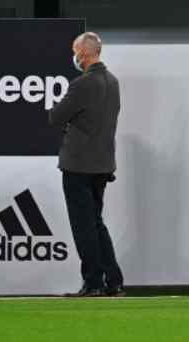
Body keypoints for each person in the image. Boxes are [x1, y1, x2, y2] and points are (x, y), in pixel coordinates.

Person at [49, 32, 124, 298]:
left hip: (79, 165)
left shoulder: (81, 85)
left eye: (75, 50)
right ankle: (113, 281)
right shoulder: (113, 82)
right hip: (103, 165)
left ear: (84, 53)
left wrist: (56, 111)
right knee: (96, 223)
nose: (74, 55)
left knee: (84, 226)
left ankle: (93, 282)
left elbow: (57, 117)